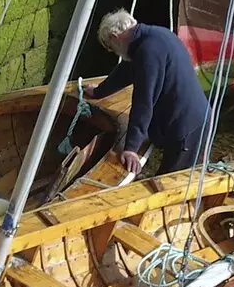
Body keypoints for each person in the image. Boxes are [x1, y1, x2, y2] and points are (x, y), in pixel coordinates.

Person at [84, 9, 209, 176]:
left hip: (188, 125)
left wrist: (131, 149)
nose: (113, 51)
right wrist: (98, 92)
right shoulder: (153, 36)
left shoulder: (148, 51)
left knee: (169, 180)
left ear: (115, 37)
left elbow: (143, 101)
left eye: (110, 47)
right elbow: (126, 71)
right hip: (190, 114)